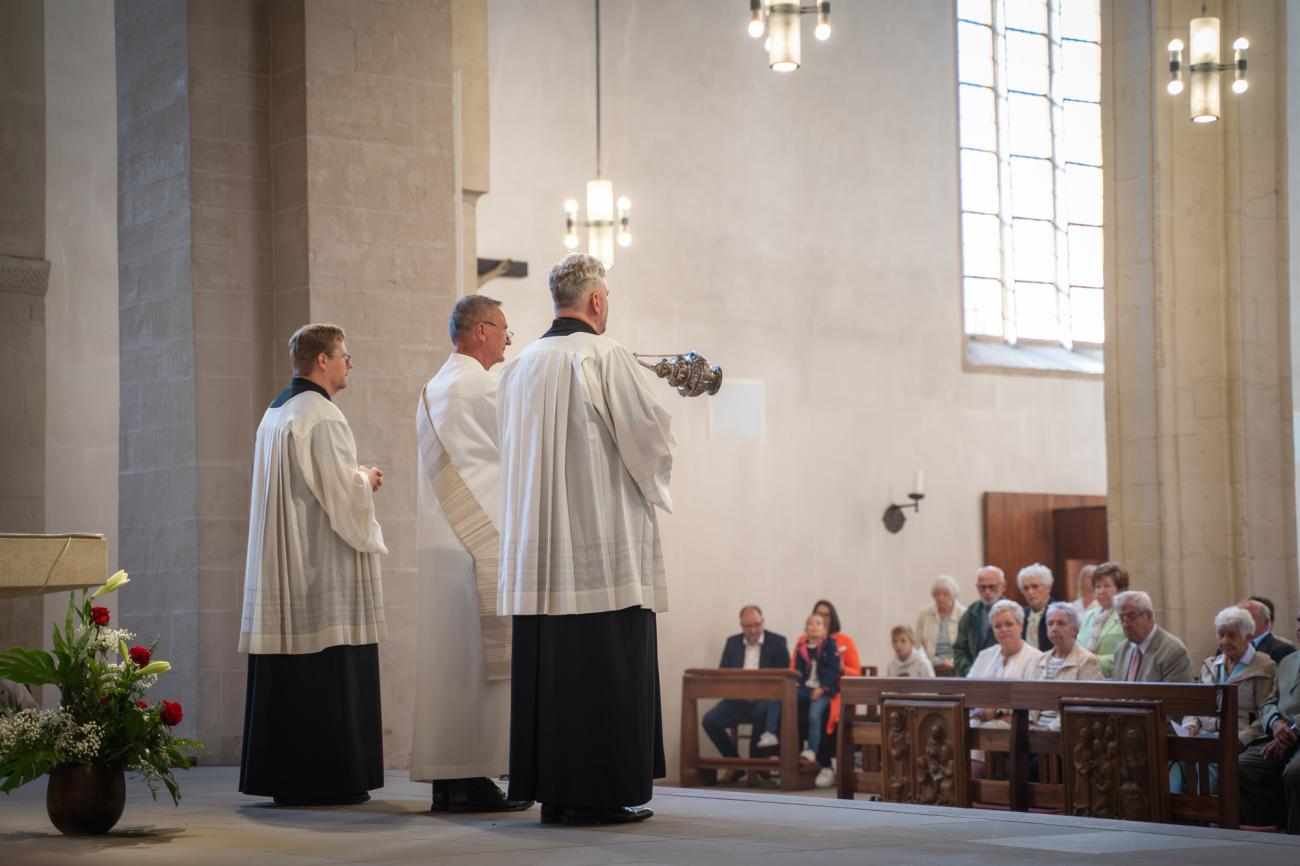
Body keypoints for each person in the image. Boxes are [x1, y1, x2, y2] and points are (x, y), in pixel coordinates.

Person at [497, 253, 674, 826]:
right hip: (599, 540)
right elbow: (649, 439)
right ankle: (599, 794)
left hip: (539, 549)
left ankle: (555, 792)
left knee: (552, 675)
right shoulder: (606, 354)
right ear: (596, 301)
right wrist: (658, 479)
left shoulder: (519, 366)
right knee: (604, 670)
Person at [238, 324, 388, 806]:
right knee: (329, 669)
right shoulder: (320, 415)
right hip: (319, 567)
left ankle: (289, 779)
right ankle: (331, 778)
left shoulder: (276, 412)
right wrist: (363, 478)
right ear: (321, 360)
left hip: (285, 564)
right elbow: (340, 497)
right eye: (344, 355)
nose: (349, 363)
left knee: (291, 676)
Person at [409, 295, 531, 813]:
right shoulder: (486, 385)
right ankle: (473, 779)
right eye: (504, 329)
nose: (509, 339)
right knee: (479, 669)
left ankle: (450, 780)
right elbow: (525, 444)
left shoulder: (431, 387)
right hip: (478, 543)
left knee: (447, 668)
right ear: (481, 330)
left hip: (441, 544)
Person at [701, 604, 790, 774]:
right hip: (736, 700)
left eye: (757, 624)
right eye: (749, 626)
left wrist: (758, 694)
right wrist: (739, 693)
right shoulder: (732, 642)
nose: (754, 630)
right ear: (742, 626)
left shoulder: (777, 642)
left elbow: (784, 678)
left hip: (766, 700)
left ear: (763, 622)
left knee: (761, 712)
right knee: (710, 721)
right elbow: (723, 675)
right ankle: (736, 764)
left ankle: (754, 768)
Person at [1238, 605, 1300, 833]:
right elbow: (1268, 702)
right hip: (1278, 733)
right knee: (1243, 765)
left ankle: (1295, 840)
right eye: (1298, 621)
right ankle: (1267, 829)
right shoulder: (1288, 661)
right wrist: (1274, 722)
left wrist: (1290, 730)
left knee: (1295, 773)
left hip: (1293, 734)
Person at [1030, 602, 1102, 730]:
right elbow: (1029, 699)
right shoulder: (1039, 659)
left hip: (1066, 733)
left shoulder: (1087, 661)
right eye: (1050, 624)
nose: (1054, 628)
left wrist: (1049, 729)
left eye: (1061, 623)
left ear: (1075, 629)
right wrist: (1029, 725)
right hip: (1035, 731)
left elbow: (1087, 706)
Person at [794, 613, 840, 788]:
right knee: (786, 702)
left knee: (815, 714)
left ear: (825, 630)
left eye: (818, 623)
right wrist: (796, 685)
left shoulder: (829, 646)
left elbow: (833, 670)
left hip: (825, 690)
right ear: (806, 629)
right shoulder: (802, 648)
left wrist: (823, 689)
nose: (814, 626)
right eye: (810, 624)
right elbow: (797, 672)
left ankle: (812, 750)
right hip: (806, 688)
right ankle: (772, 733)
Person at [1109, 590, 1193, 683]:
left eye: (1131, 616)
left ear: (1149, 615)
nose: (1125, 624)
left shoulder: (1173, 651)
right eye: (1121, 618)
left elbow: (1177, 696)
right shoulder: (1121, 650)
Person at [1077, 561, 1127, 677]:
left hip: (1114, 682)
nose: (1101, 591)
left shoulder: (1126, 614)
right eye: (1098, 586)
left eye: (1106, 586)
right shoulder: (1089, 616)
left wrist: (1094, 661)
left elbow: (1129, 655)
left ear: (1121, 589)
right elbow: (1078, 646)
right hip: (1085, 680)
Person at [954, 566, 1006, 676]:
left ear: (1003, 586)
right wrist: (970, 672)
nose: (987, 592)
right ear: (977, 587)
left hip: (1003, 677)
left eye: (992, 587)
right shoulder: (970, 614)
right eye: (982, 587)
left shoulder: (1013, 613)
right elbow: (960, 650)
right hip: (973, 677)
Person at [915, 575, 966, 676]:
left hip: (956, 667)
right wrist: (935, 662)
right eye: (936, 594)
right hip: (930, 666)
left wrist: (953, 662)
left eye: (945, 594)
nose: (940, 598)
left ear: (953, 595)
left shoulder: (964, 614)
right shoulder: (924, 614)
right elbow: (918, 646)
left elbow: (967, 647)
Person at [1240, 597, 1297, 665]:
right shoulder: (1231, 647)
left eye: (1248, 618)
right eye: (1239, 619)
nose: (1242, 623)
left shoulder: (1284, 649)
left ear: (1266, 622)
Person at [1016, 563, 1053, 651]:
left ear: (1048, 587)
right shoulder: (1020, 614)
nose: (1030, 592)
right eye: (1025, 588)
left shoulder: (1059, 613)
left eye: (1035, 586)